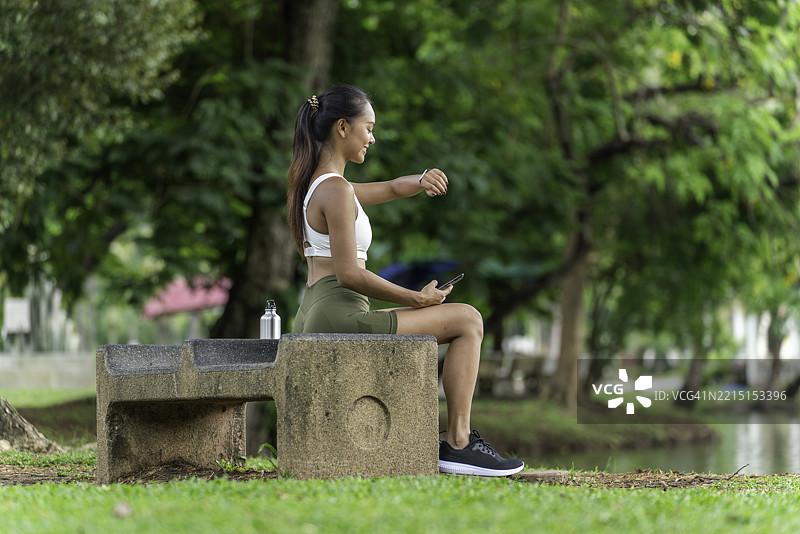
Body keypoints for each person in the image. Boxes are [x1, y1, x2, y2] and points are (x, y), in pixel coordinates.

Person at [286, 85, 523, 477]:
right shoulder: (336, 190)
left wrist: (422, 179)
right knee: (468, 321)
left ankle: (458, 442)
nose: (372, 138)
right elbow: (349, 273)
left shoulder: (319, 186)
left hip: (317, 310)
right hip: (339, 315)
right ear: (342, 128)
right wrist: (417, 299)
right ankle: (459, 443)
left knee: (464, 319)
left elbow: (393, 188)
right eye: (369, 127)